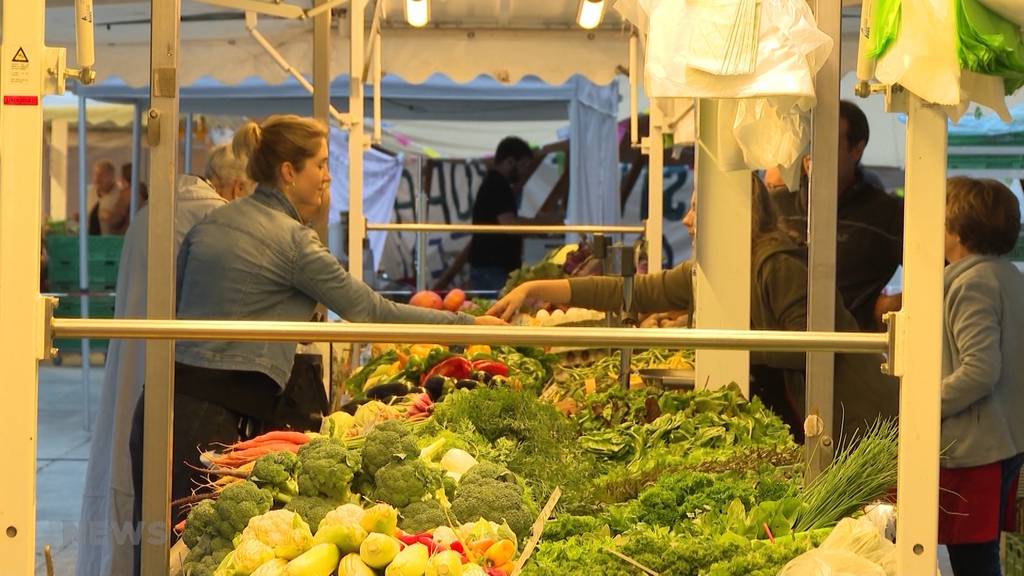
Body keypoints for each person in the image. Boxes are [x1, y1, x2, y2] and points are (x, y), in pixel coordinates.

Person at [129, 115, 503, 572]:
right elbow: (370, 312)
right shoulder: (292, 241)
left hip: (158, 405)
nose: (328, 176)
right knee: (193, 556)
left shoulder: (215, 222)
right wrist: (469, 325)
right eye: (321, 165)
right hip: (205, 420)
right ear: (289, 171)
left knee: (154, 552)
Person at [489, 176, 899, 444]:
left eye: (697, 209)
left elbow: (811, 348)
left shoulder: (778, 265)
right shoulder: (716, 269)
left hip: (859, 418)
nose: (685, 220)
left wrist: (717, 347)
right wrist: (535, 289)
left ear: (738, 215)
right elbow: (635, 292)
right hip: (814, 417)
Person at [77, 145, 253, 576]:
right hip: (181, 368)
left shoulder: (153, 210)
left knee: (123, 468)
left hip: (133, 351)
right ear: (235, 186)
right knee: (169, 494)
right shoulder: (217, 218)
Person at [937, 176, 1024, 576]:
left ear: (957, 231)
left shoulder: (971, 283)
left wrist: (923, 402)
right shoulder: (1006, 275)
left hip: (977, 448)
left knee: (973, 560)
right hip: (1003, 440)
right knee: (982, 557)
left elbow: (979, 369)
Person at [764, 101, 904, 331]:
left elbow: (941, 274)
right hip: (773, 353)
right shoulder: (776, 206)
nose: (812, 153)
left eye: (826, 142)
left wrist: (896, 305)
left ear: (856, 150)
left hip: (846, 352)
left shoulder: (887, 214)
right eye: (808, 141)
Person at [468, 136, 563, 292]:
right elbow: (510, 224)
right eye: (524, 165)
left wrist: (540, 222)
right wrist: (544, 225)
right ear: (510, 162)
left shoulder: (497, 183)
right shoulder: (497, 185)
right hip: (492, 267)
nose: (525, 171)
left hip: (493, 267)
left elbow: (509, 220)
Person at [88, 159, 130, 235]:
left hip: (110, 242)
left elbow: (126, 222)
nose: (97, 179)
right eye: (95, 175)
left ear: (111, 176)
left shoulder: (121, 194)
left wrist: (112, 217)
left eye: (101, 175)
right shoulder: (91, 193)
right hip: (90, 242)